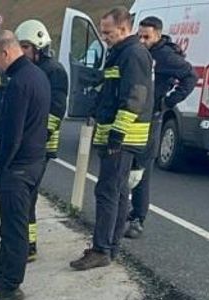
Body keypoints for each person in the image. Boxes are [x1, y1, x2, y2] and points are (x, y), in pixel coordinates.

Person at [70, 8, 154, 271]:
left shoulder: (133, 54)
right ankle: (110, 245)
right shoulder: (120, 52)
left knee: (108, 192)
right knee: (117, 192)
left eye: (107, 32)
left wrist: (117, 133)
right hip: (118, 134)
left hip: (123, 136)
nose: (104, 37)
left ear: (123, 28)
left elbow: (135, 97)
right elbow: (111, 91)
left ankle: (101, 250)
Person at [0, 31, 50, 300]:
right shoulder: (36, 75)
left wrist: (2, 163)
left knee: (15, 229)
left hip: (17, 167)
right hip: (32, 162)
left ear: (6, 53)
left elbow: (13, 132)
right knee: (9, 226)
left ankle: (10, 286)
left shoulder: (20, 82)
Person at [125, 17, 197, 240]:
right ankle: (126, 212)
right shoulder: (138, 51)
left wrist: (168, 101)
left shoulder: (165, 56)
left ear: (157, 35)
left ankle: (138, 218)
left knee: (142, 167)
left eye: (146, 37)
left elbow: (190, 77)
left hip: (151, 118)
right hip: (133, 115)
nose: (142, 40)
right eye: (139, 36)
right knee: (127, 165)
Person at [15, 19, 69, 262]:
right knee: (22, 197)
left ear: (39, 47)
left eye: (26, 47)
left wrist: (39, 135)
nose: (22, 52)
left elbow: (57, 109)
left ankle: (29, 245)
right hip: (24, 144)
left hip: (40, 146)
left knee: (28, 196)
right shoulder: (25, 70)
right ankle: (24, 242)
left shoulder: (54, 71)